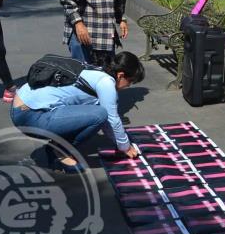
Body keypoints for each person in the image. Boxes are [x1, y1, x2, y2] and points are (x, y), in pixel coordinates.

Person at [10, 51, 144, 173]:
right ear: (121, 75)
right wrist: (125, 147)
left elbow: (107, 123)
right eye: (130, 81)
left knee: (98, 114)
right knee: (100, 115)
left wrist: (120, 145)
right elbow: (110, 118)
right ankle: (60, 151)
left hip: (23, 108)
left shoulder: (98, 71)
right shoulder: (106, 82)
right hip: (30, 116)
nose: (128, 86)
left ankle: (57, 146)